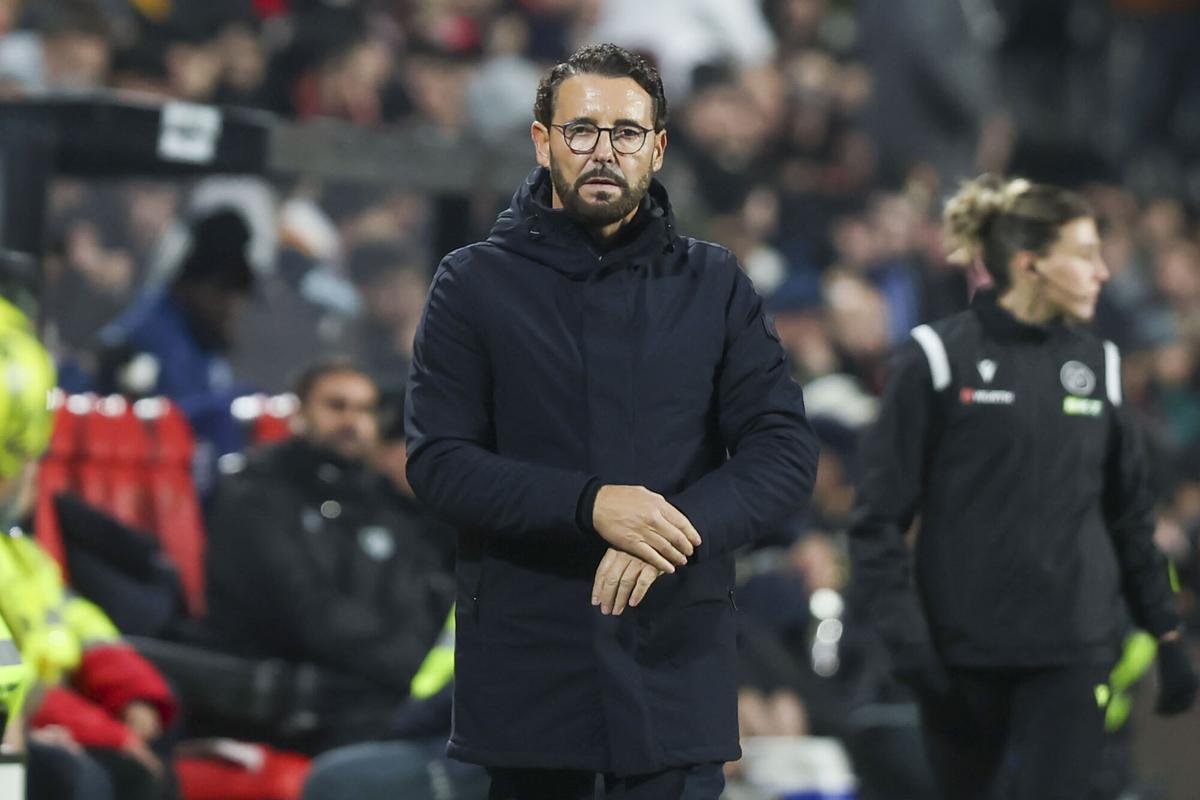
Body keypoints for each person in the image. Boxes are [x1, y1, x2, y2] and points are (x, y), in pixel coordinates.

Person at [405, 43, 818, 800]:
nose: (604, 152)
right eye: (582, 131)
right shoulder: (472, 283)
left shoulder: (714, 281)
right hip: (532, 683)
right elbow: (440, 464)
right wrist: (593, 505)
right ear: (542, 141)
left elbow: (784, 451)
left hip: (675, 675)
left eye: (627, 133)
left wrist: (670, 530)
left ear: (657, 148)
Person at [848, 173, 1198, 800]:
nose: (1103, 274)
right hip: (961, 659)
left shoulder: (1101, 365)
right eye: (1085, 256)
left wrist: (1165, 634)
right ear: (1032, 264)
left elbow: (1129, 520)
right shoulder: (934, 359)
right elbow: (876, 521)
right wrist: (910, 648)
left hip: (1074, 655)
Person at [205, 359, 452, 752]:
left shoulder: (379, 498)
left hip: (379, 683)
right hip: (297, 689)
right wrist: (408, 666)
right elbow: (301, 610)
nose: (353, 421)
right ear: (299, 413)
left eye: (366, 409)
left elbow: (426, 590)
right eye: (337, 406)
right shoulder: (255, 495)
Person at [92, 207, 257, 495]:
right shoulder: (143, 333)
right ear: (191, 285)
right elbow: (128, 427)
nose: (232, 307)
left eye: (238, 295)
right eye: (222, 291)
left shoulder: (206, 337)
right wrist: (213, 410)